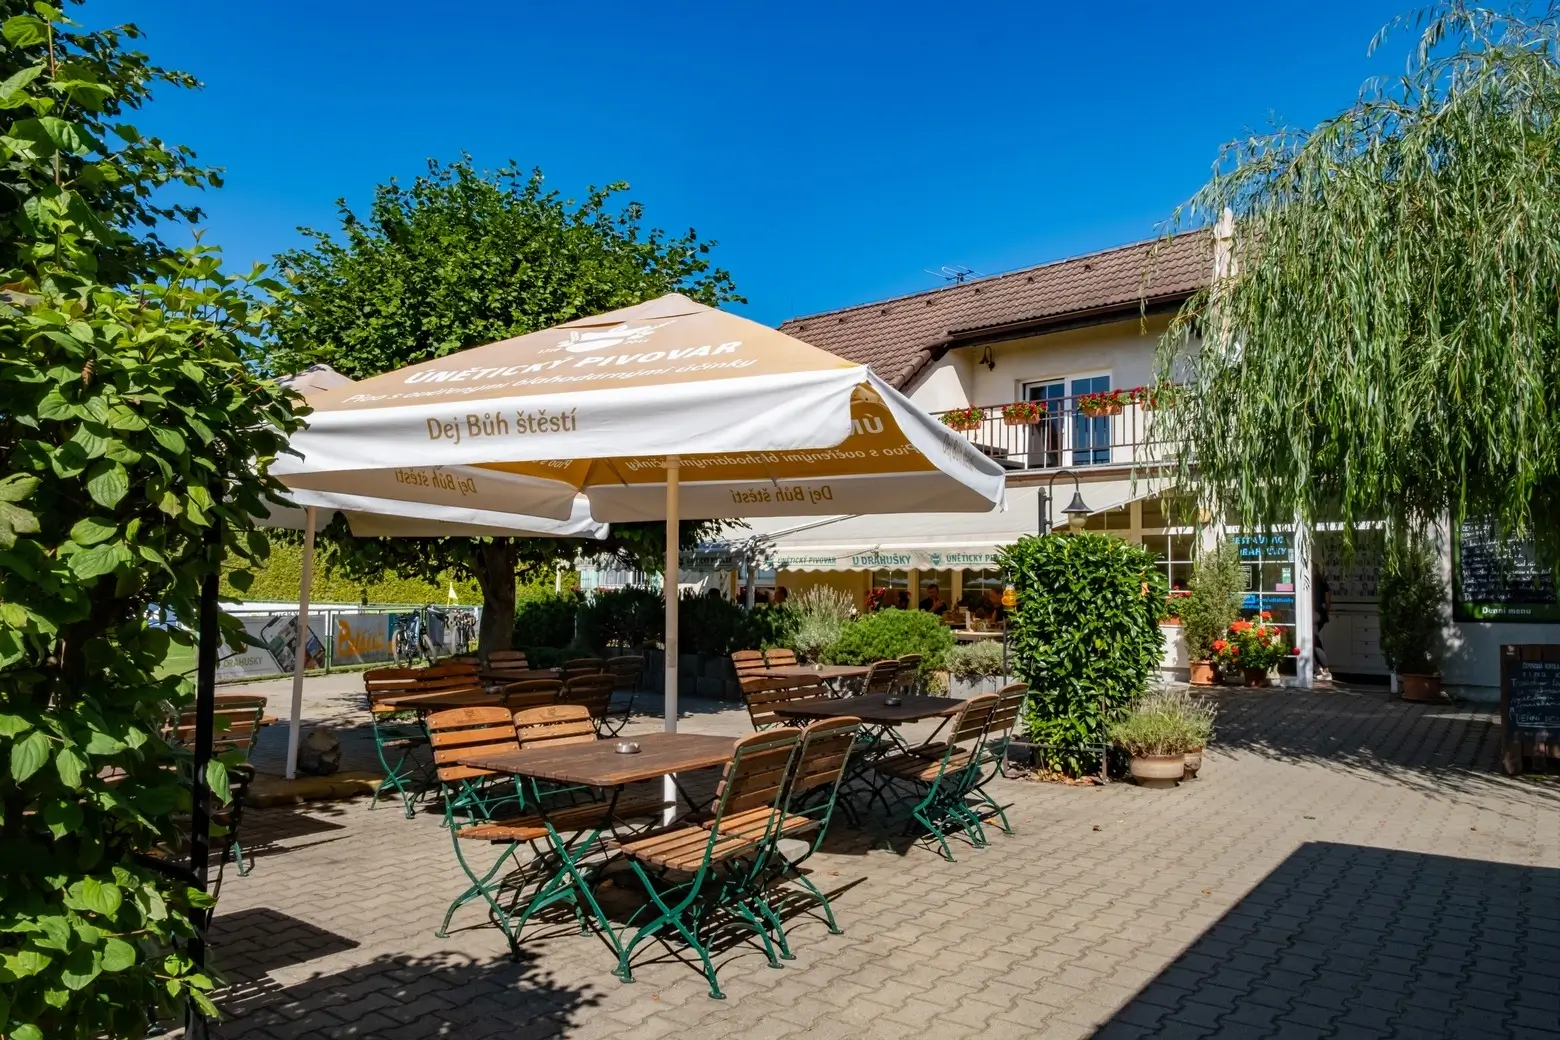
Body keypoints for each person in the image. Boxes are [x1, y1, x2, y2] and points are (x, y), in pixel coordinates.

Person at [1313, 568, 1333, 683]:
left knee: (1314, 641)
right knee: (1313, 641)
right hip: (1320, 613)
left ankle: (1324, 669)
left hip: (1313, 614)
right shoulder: (1321, 579)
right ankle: (1318, 669)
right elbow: (1328, 596)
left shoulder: (1310, 579)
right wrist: (1327, 612)